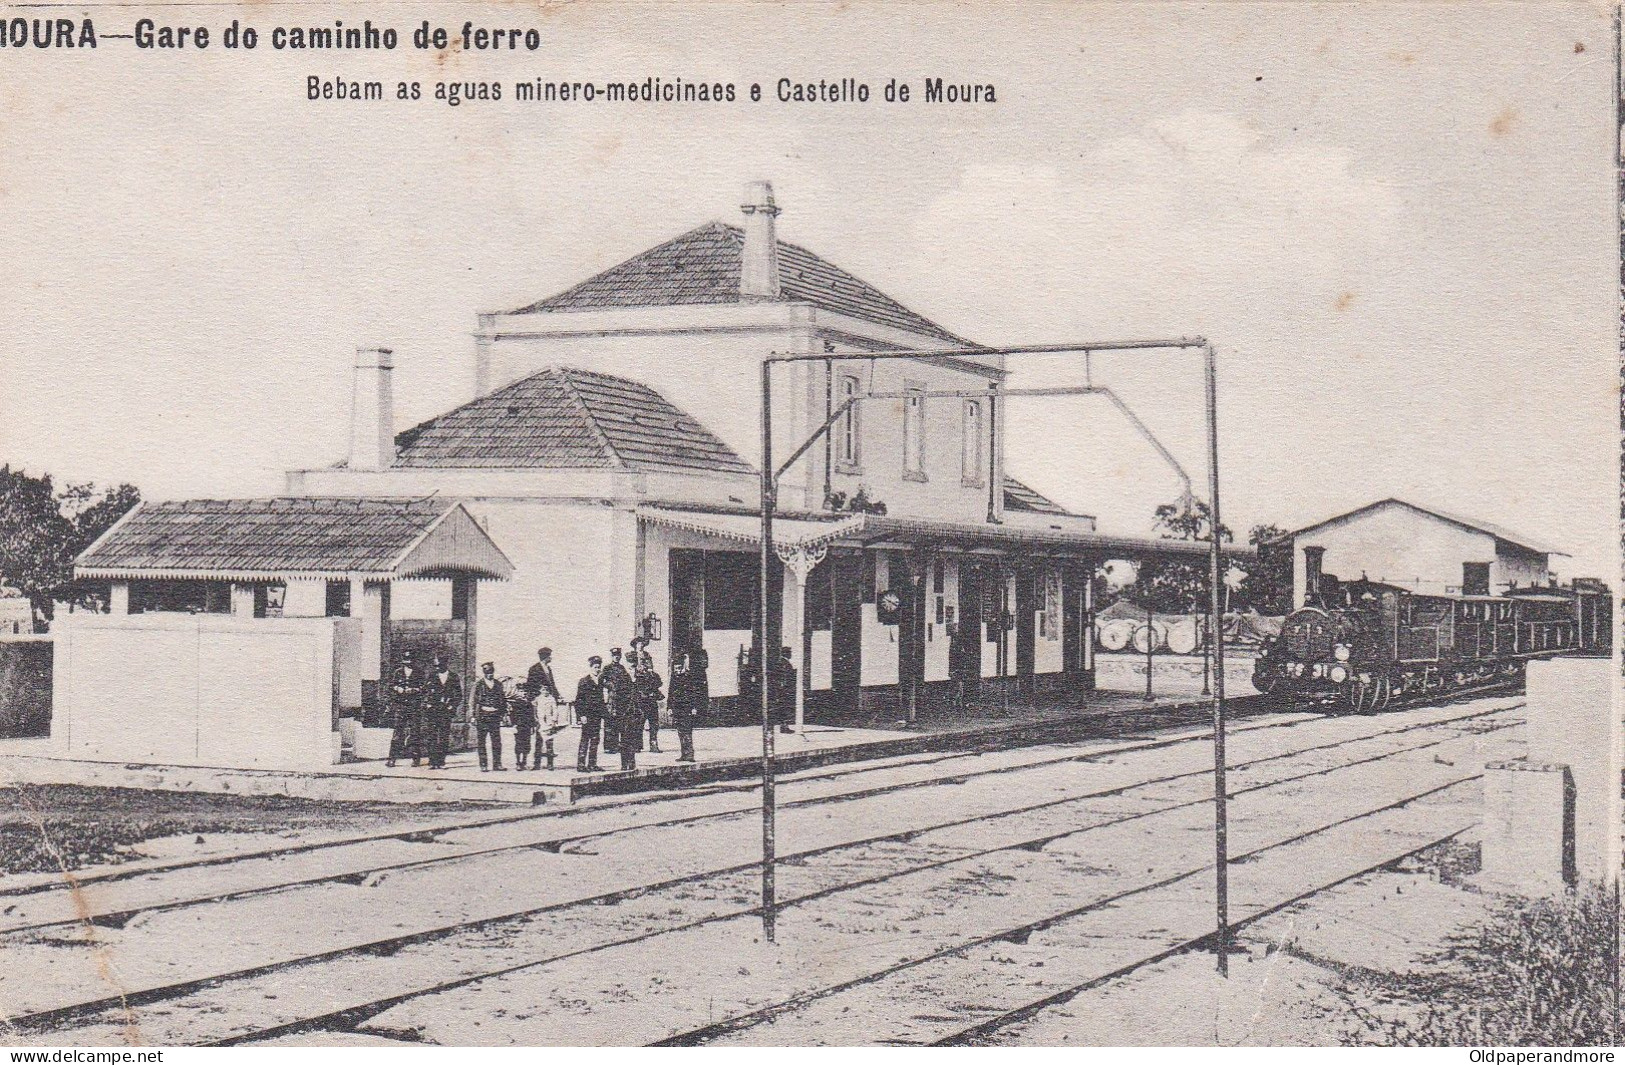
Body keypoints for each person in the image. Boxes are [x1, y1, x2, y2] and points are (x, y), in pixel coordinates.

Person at [385, 649, 426, 768]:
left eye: (411, 660)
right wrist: (398, 689)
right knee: (397, 732)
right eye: (406, 660)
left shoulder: (419, 672)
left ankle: (415, 758)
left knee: (415, 733)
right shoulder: (398, 672)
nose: (408, 662)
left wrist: (414, 690)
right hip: (401, 706)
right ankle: (392, 759)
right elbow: (391, 686)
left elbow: (424, 687)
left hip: (414, 707)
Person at [423, 653, 462, 770]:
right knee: (432, 736)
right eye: (436, 666)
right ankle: (432, 761)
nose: (437, 668)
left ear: (445, 664)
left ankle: (441, 761)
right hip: (433, 711)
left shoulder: (454, 677)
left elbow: (458, 695)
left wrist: (452, 706)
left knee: (444, 736)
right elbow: (425, 691)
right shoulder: (432, 676)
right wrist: (427, 704)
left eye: (439, 665)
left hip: (446, 711)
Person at [669, 650, 708, 763]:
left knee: (687, 731)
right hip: (677, 708)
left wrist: (694, 707)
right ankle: (683, 754)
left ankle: (690, 754)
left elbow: (694, 694)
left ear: (682, 666)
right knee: (680, 731)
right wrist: (669, 707)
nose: (676, 670)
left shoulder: (688, 677)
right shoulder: (674, 678)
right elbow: (670, 693)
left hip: (687, 707)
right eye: (675, 668)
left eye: (678, 667)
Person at [470, 661, 508, 771]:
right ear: (484, 673)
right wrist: (472, 716)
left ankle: (497, 764)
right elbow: (472, 701)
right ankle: (483, 765)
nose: (490, 674)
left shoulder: (498, 684)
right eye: (487, 672)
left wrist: (503, 713)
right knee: (481, 741)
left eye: (491, 672)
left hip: (495, 716)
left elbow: (503, 700)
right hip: (482, 716)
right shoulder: (478, 685)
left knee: (496, 741)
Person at [573, 656, 607, 772]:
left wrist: (605, 714)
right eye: (595, 667)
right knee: (585, 739)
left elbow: (602, 699)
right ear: (591, 667)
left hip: (597, 715)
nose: (598, 669)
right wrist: (581, 715)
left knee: (595, 739)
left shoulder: (601, 681)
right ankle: (581, 764)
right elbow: (579, 700)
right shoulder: (584, 681)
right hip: (587, 716)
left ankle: (592, 764)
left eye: (599, 667)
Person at [600, 646, 632, 758]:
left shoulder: (622, 669)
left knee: (619, 722)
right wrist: (610, 685)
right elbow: (601, 680)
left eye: (618, 656)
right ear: (612, 656)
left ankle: (616, 745)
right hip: (611, 699)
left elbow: (628, 682)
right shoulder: (607, 668)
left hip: (621, 699)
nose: (617, 657)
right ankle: (609, 746)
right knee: (610, 722)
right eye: (615, 656)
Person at [525, 647, 565, 736]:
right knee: (541, 724)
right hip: (540, 701)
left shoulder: (548, 669)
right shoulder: (534, 669)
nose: (551, 658)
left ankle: (549, 748)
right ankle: (538, 749)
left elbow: (552, 684)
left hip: (549, 700)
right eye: (550, 656)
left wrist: (558, 696)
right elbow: (530, 686)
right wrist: (534, 699)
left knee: (551, 725)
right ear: (545, 657)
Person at [633, 653, 664, 754]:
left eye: (649, 662)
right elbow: (637, 687)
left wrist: (651, 675)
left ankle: (653, 744)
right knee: (639, 724)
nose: (648, 664)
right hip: (642, 702)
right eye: (645, 662)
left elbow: (659, 683)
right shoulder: (638, 675)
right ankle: (637, 745)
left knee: (654, 724)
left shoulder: (654, 675)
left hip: (652, 703)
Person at [771, 645, 798, 735]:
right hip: (784, 690)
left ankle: (784, 726)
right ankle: (784, 726)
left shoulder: (782, 662)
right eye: (789, 652)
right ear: (786, 653)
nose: (791, 654)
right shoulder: (784, 663)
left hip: (782, 689)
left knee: (783, 708)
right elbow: (785, 676)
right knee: (784, 707)